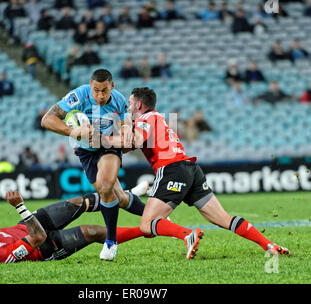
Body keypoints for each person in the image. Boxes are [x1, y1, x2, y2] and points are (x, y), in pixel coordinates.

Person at [106, 87, 290, 259]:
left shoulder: (145, 119)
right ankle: (269, 245)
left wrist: (99, 140)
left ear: (138, 105)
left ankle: (188, 235)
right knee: (223, 218)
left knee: (147, 224)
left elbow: (134, 141)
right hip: (191, 169)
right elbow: (128, 146)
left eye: (130, 104)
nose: (128, 108)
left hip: (172, 169)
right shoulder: (156, 118)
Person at [40, 69, 148, 261]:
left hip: (108, 147)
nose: (99, 95)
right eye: (96, 90)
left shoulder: (118, 100)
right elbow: (47, 119)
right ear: (90, 86)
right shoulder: (78, 96)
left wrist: (124, 134)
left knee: (106, 186)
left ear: (111, 87)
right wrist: (73, 131)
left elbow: (124, 128)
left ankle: (111, 241)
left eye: (104, 90)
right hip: (85, 152)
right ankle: (152, 213)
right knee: (118, 198)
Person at [0, 187, 150, 264]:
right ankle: (146, 229)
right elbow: (39, 238)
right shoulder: (1, 255)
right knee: (94, 232)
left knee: (78, 203)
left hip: (28, 226)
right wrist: (20, 205)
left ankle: (124, 195)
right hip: (45, 246)